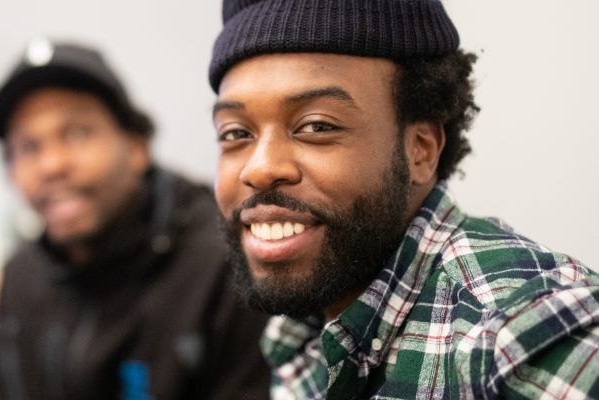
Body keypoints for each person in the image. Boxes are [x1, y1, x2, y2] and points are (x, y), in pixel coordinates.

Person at [207, 1, 599, 399]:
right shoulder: (298, 330)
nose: (259, 169)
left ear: (421, 150)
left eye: (317, 126)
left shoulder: (519, 338)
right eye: (236, 133)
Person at [0, 39, 270, 400]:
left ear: (136, 147)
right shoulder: (22, 275)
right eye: (28, 147)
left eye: (77, 133)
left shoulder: (226, 265)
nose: (52, 165)